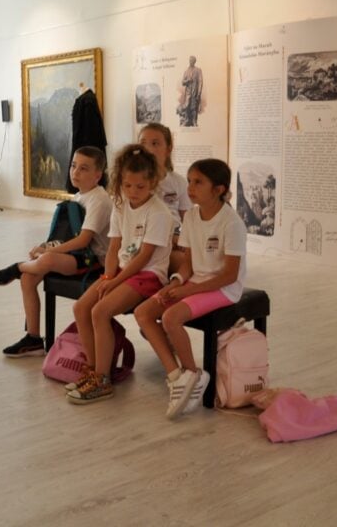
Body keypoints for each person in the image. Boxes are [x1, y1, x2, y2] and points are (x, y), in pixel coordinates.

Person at [134, 159, 247, 418]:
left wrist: (188, 291)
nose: (190, 187)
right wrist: (176, 282)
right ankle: (177, 376)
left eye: (198, 182)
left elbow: (229, 276)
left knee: (171, 317)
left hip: (224, 288)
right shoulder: (192, 216)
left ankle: (194, 373)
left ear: (218, 189)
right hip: (196, 282)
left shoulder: (232, 223)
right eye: (189, 181)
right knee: (144, 312)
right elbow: (188, 263)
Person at [66, 145, 174, 404]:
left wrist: (115, 281)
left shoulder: (159, 212)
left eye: (140, 186)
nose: (133, 192)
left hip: (148, 275)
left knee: (100, 312)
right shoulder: (120, 204)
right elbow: (114, 247)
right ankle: (94, 370)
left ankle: (102, 381)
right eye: (127, 186)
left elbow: (144, 257)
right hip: (123, 272)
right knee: (81, 308)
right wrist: (107, 277)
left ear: (152, 182)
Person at [0, 146, 112, 357]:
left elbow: (83, 240)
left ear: (97, 175)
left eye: (83, 168)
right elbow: (67, 237)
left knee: (45, 261)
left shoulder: (99, 200)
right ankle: (33, 339)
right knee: (29, 278)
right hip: (78, 256)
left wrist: (47, 254)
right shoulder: (79, 197)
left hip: (95, 262)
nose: (75, 172)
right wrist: (45, 247)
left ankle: (17, 267)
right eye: (73, 166)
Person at [138, 122, 192, 270]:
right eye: (143, 143)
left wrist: (181, 238)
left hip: (174, 241)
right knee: (186, 263)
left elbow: (188, 220)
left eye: (155, 143)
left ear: (168, 149)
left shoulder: (179, 182)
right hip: (145, 242)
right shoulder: (132, 184)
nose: (148, 149)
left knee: (200, 259)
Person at [177, 56, 203, 126]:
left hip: (195, 92)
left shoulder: (198, 70)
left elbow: (200, 82)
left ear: (194, 61)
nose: (190, 62)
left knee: (194, 107)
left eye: (192, 60)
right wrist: (187, 80)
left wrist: (199, 92)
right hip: (188, 92)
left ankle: (194, 121)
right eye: (190, 60)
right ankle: (187, 120)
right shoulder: (186, 71)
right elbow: (183, 82)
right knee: (187, 106)